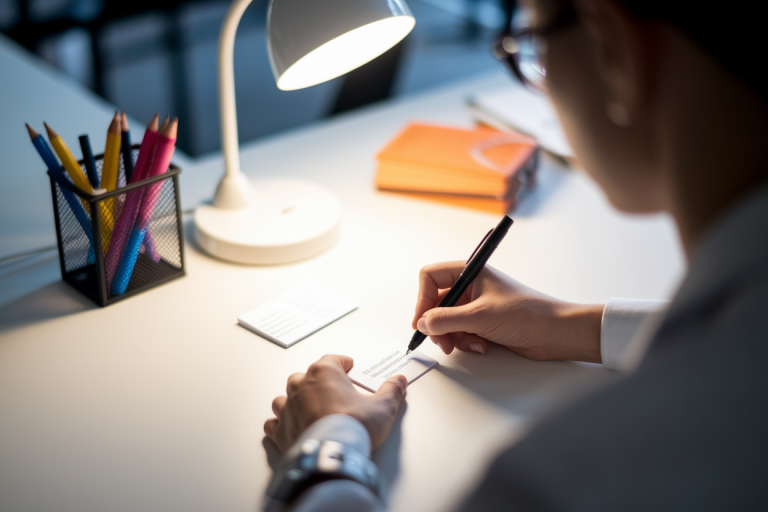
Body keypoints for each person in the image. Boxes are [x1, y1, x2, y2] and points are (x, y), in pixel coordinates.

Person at [262, 0, 768, 509]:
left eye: (534, 50)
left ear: (615, 48)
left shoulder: (568, 480)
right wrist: (567, 325)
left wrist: (327, 450)